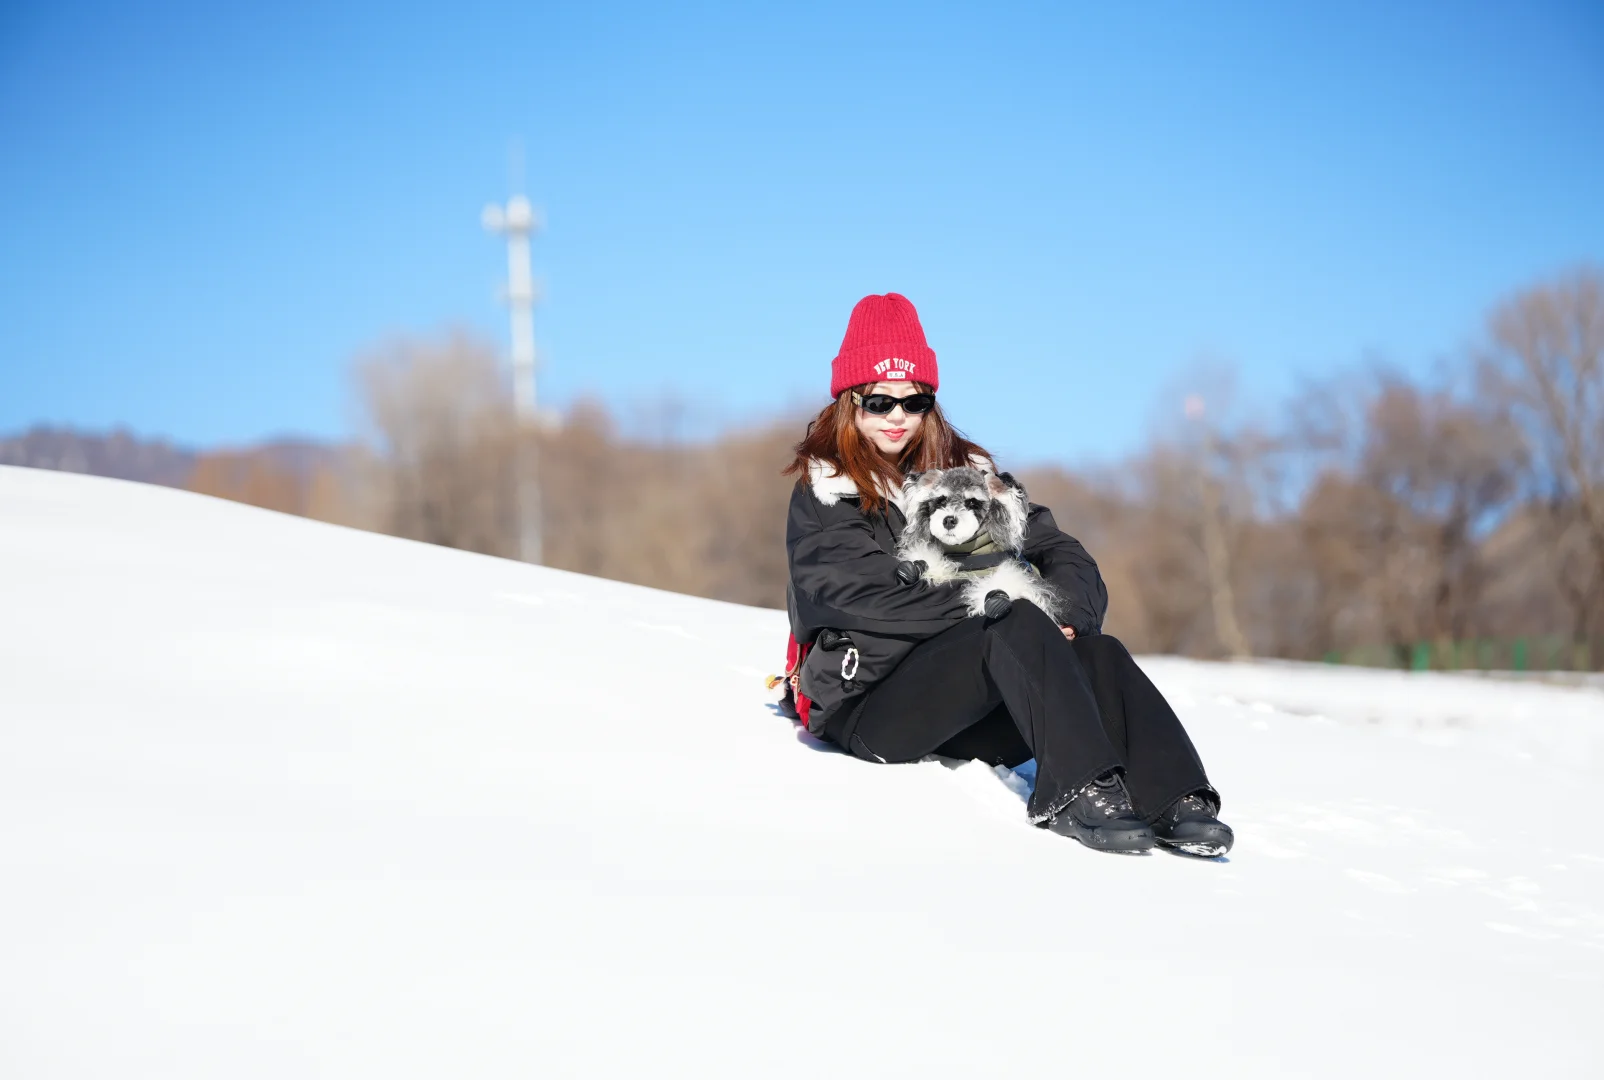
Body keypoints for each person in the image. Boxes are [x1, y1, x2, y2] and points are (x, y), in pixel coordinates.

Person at [781, 292, 1233, 856]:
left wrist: (1063, 614)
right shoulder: (827, 492)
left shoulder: (969, 477)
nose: (897, 417)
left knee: (1096, 651)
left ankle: (1172, 795)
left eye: (915, 401)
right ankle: (1078, 791)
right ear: (849, 402)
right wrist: (996, 604)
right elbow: (857, 594)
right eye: (879, 401)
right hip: (870, 709)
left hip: (963, 706)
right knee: (1011, 620)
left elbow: (1061, 552)